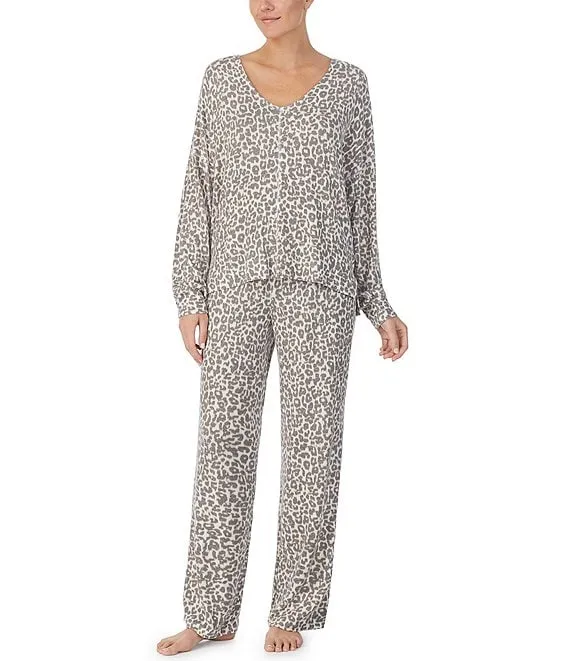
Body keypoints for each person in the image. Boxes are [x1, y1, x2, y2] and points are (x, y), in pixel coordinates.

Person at [157, 0, 409, 656]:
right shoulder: (220, 78)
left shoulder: (349, 85)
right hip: (234, 287)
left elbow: (361, 199)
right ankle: (210, 611)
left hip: (322, 289)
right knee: (222, 447)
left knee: (313, 452)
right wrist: (189, 293)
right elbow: (199, 188)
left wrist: (377, 302)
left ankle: (292, 607)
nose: (265, 4)